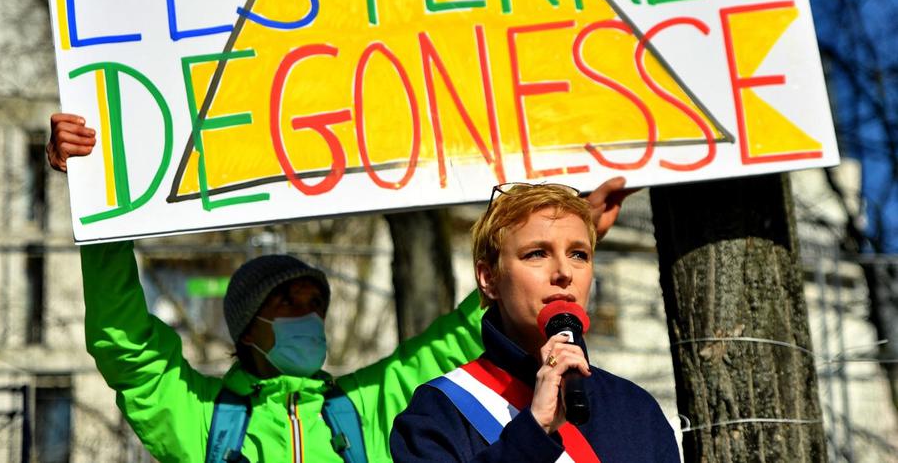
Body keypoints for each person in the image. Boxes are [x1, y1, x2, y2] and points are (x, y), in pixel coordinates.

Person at [47, 114, 633, 463]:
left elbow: (449, 344)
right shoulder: (200, 421)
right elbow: (127, 347)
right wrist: (94, 202)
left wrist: (557, 235)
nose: (309, 317)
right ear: (248, 326)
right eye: (287, 303)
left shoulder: (364, 409)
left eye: (315, 305)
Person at [390, 183, 679, 462]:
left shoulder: (636, 409)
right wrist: (533, 431)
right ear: (488, 278)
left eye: (579, 254)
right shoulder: (439, 413)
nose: (564, 272)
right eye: (537, 253)